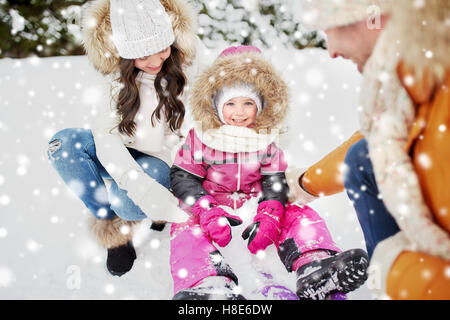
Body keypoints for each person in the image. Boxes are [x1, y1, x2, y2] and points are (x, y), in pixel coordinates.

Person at [168, 45, 369, 300]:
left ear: (261, 106)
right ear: (216, 104)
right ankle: (206, 282)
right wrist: (206, 211)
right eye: (230, 103)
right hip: (214, 209)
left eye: (248, 103)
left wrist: (270, 214)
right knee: (184, 224)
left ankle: (315, 263)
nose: (239, 112)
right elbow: (183, 177)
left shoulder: (265, 139)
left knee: (298, 211)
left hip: (255, 206)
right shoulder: (202, 138)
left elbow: (274, 180)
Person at [287, 0, 450, 299]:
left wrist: (395, 272)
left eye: (333, 28)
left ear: (374, 16)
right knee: (362, 158)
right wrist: (304, 183)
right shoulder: (419, 74)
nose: (332, 50)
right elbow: (376, 142)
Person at [47, 0, 209, 277]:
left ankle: (144, 205)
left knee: (127, 203)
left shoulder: (192, 62)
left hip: (163, 157)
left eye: (162, 49)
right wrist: (137, 184)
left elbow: (218, 104)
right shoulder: (116, 75)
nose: (156, 61)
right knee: (62, 145)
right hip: (123, 147)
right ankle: (112, 226)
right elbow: (106, 138)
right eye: (143, 55)